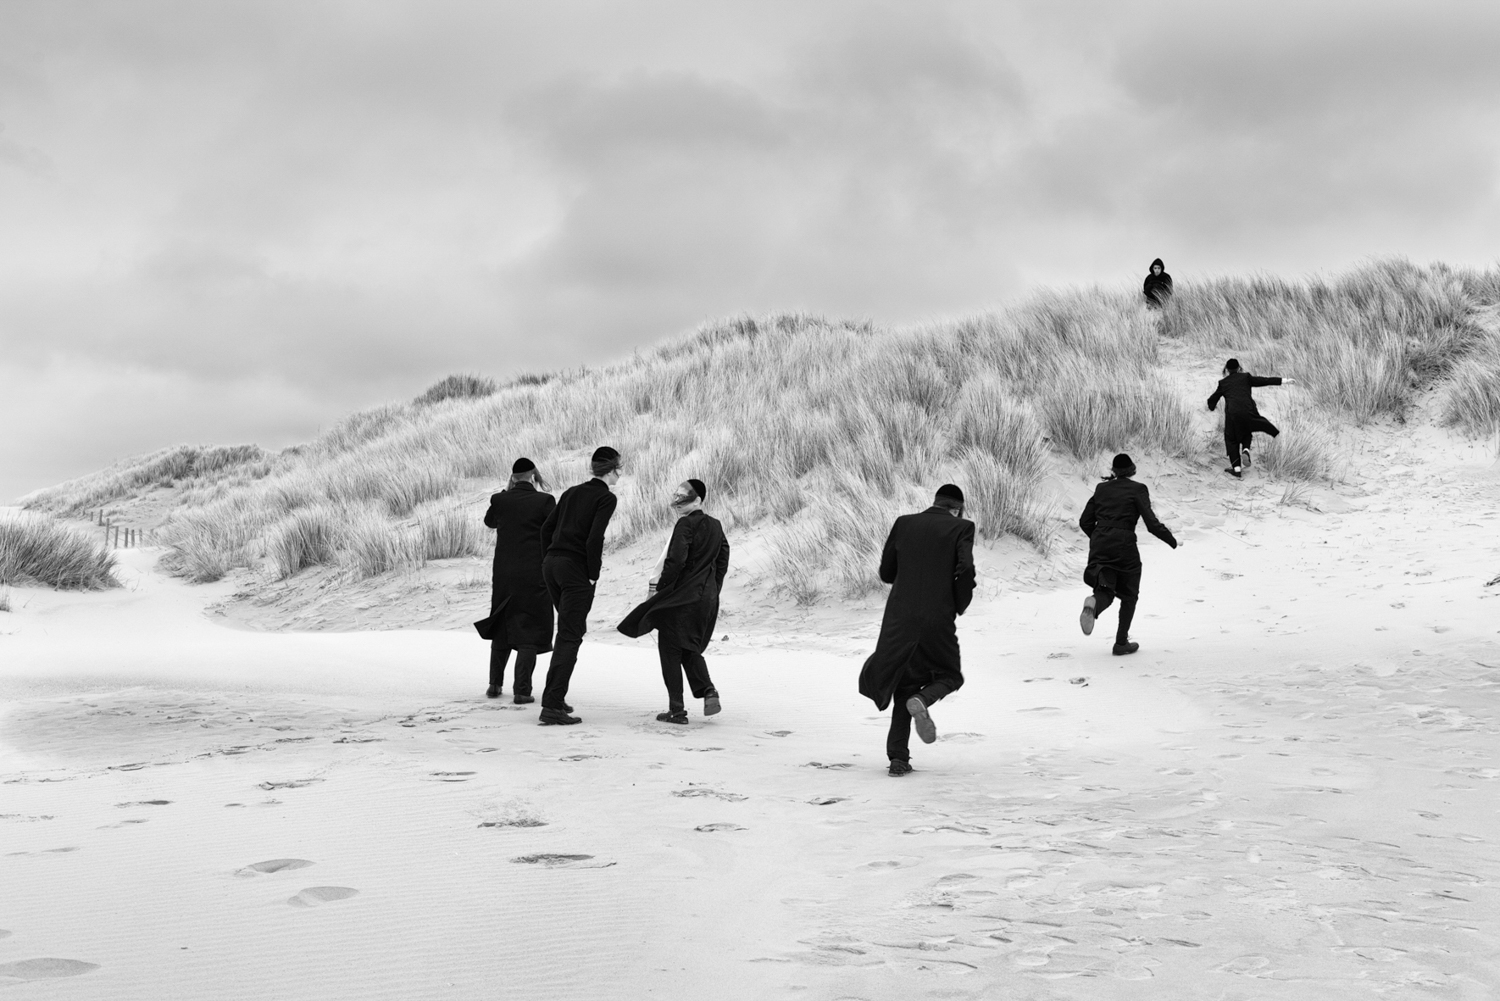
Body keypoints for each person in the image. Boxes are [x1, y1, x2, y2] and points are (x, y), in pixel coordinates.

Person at [858, 484, 976, 777]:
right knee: (951, 675)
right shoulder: (962, 528)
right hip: (937, 617)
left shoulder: (904, 523)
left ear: (935, 502)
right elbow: (966, 569)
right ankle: (923, 700)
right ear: (957, 509)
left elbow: (887, 572)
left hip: (900, 617)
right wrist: (958, 604)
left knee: (905, 684)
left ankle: (898, 759)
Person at [617, 478, 731, 725]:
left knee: (669, 648)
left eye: (683, 499)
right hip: (706, 598)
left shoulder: (685, 524)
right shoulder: (716, 525)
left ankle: (676, 710)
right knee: (689, 645)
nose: (678, 503)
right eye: (677, 498)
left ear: (698, 500)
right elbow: (723, 559)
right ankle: (708, 690)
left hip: (682, 596)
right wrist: (713, 588)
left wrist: (662, 590)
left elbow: (676, 560)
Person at [536, 446, 621, 725]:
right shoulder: (606, 498)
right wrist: (593, 574)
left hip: (552, 565)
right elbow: (595, 538)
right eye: (618, 469)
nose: (619, 474)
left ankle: (555, 697)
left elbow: (546, 529)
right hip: (575, 571)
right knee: (570, 635)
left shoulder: (571, 492)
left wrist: (548, 558)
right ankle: (551, 706)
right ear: (610, 470)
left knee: (568, 631)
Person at [1078, 454, 1179, 655]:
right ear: (1132, 469)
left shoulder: (1101, 489)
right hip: (1124, 547)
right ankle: (1121, 643)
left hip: (1100, 545)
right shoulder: (1138, 489)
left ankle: (1094, 605)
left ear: (1114, 470)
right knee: (1129, 595)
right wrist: (1172, 540)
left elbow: (1084, 521)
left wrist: (1099, 538)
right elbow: (1151, 524)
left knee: (1106, 590)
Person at [475, 458, 555, 704]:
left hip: (504, 574)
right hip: (534, 573)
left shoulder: (500, 500)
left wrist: (505, 491)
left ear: (512, 477)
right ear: (533, 476)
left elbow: (490, 522)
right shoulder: (545, 501)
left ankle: (494, 684)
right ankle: (522, 690)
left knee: (502, 623)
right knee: (529, 628)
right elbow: (553, 532)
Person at [1207, 358, 1297, 477]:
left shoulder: (1223, 383)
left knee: (1231, 439)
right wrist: (1284, 381)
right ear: (1239, 368)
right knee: (1247, 429)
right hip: (1248, 411)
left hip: (1232, 415)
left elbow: (1213, 399)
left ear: (1227, 370)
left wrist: (1211, 406)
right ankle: (1246, 449)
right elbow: (1264, 380)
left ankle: (1237, 469)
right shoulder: (1246, 377)